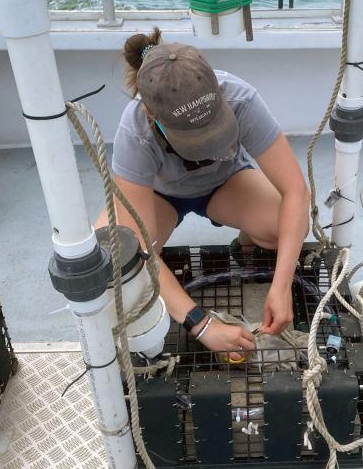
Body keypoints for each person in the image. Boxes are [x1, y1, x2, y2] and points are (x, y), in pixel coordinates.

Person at [96, 28, 310, 359]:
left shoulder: (241, 98)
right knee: (114, 258)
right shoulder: (135, 129)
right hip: (160, 197)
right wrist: (202, 324)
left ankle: (246, 242)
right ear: (153, 116)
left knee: (284, 225)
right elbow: (137, 248)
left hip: (224, 184)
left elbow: (295, 191)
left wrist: (280, 286)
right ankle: (165, 272)